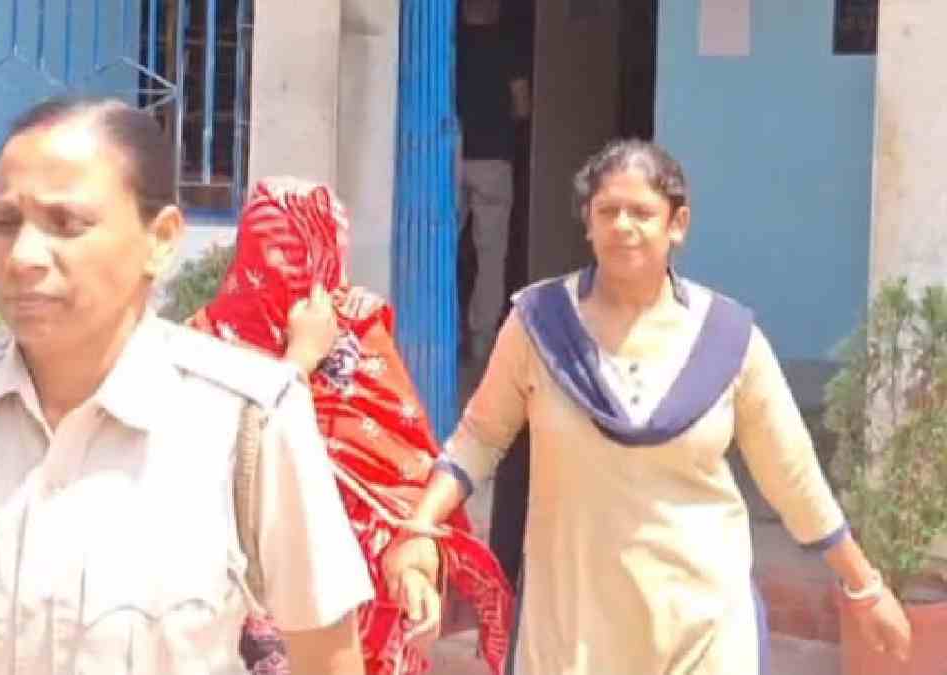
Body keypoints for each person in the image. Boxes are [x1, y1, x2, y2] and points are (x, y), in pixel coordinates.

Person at [0, 97, 375, 675]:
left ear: (161, 239)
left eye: (67, 225)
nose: (22, 257)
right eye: (3, 223)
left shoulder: (248, 420)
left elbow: (327, 659)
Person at [382, 139, 913, 674]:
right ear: (588, 223)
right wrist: (420, 527)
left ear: (677, 224)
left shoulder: (728, 339)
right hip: (573, 628)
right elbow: (479, 437)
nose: (623, 226)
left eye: (641, 212)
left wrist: (864, 586)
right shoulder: (538, 325)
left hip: (703, 626)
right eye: (607, 211)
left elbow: (792, 474)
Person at [188, 176, 513, 675]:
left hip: (360, 610)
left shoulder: (358, 333)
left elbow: (400, 475)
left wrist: (415, 563)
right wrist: (299, 361)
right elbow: (211, 474)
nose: (283, 271)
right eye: (270, 249)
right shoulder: (201, 347)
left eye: (299, 255)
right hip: (237, 610)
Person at [457, 0, 531, 363]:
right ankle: (481, 341)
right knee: (490, 255)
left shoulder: (450, 43)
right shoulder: (508, 45)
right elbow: (522, 105)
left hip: (448, 157)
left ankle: (438, 330)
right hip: (494, 160)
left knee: (439, 249)